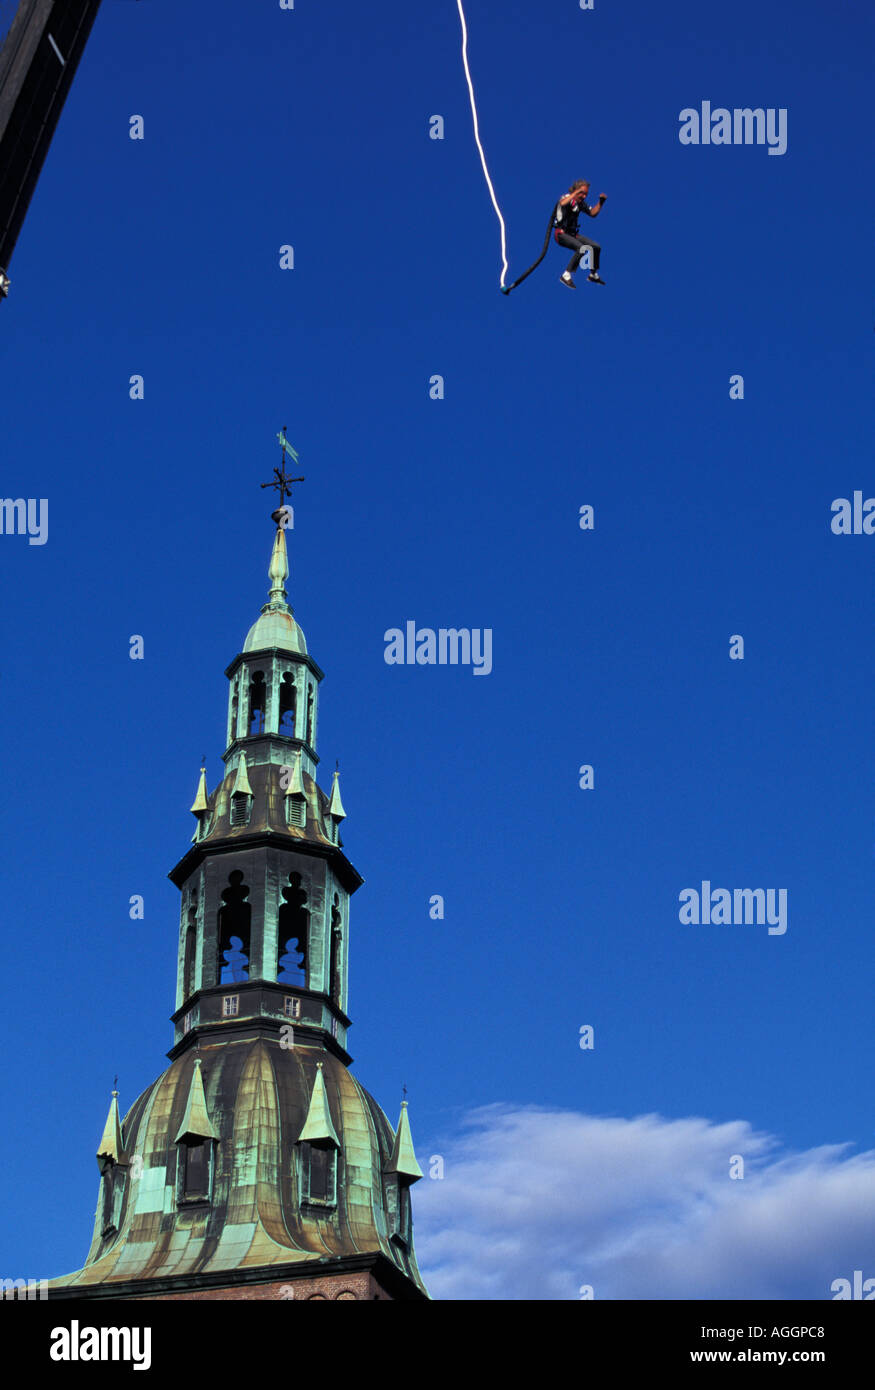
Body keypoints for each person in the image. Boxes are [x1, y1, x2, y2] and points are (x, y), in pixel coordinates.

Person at [554, 180, 607, 288]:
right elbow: (562, 203)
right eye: (581, 193)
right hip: (561, 233)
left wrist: (601, 203)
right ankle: (566, 275)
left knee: (596, 247)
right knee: (582, 248)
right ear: (576, 190)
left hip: (572, 234)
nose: (583, 196)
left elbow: (592, 213)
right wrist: (575, 193)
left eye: (585, 194)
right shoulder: (567, 197)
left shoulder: (581, 203)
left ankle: (593, 274)